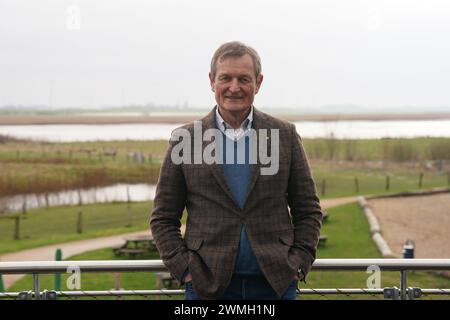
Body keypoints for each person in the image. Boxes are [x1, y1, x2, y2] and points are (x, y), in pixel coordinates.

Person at [150, 41, 323, 300]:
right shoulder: (185, 139)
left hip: (275, 283)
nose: (234, 87)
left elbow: (308, 210)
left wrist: (298, 263)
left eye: (244, 78)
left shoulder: (284, 135)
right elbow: (163, 217)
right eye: (226, 78)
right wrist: (184, 269)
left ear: (258, 82)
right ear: (212, 81)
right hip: (205, 286)